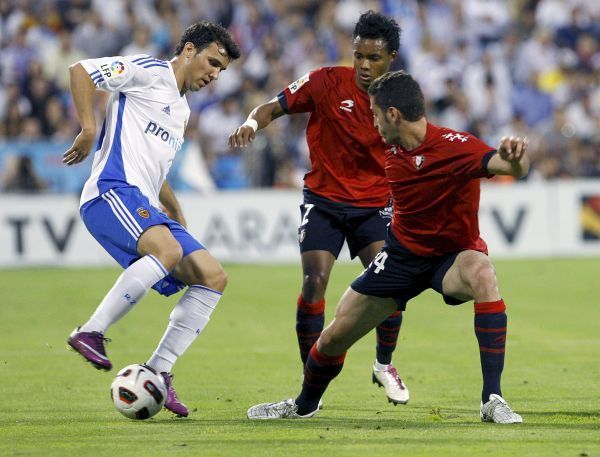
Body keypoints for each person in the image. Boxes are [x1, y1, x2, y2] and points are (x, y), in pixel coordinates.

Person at [247, 70, 527, 424]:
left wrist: (515, 158)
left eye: (376, 114)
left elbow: (509, 166)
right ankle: (303, 405)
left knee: (483, 273)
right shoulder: (390, 150)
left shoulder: (456, 146)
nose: (373, 122)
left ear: (393, 115)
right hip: (399, 259)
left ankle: (492, 399)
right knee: (333, 338)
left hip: (450, 258)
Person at [229, 10, 409, 405]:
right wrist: (250, 125)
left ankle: (383, 364)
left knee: (391, 285)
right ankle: (311, 377)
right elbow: (270, 108)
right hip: (324, 201)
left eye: (373, 58)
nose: (364, 65)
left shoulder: (400, 99)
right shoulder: (325, 80)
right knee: (314, 282)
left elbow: (416, 148)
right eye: (359, 55)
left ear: (391, 57)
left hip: (373, 206)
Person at [64, 22, 240, 417]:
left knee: (213, 277)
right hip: (110, 191)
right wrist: (89, 127)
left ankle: (159, 372)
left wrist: (175, 210)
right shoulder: (150, 71)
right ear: (190, 50)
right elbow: (80, 70)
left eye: (222, 70)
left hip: (141, 196)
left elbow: (154, 171)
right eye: (212, 62)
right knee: (168, 249)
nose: (215, 74)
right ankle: (91, 330)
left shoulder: (181, 109)